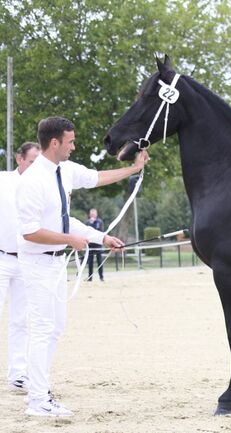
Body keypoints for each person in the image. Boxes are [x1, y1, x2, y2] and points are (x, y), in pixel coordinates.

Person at [16, 116, 149, 417]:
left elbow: (96, 178)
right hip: (36, 262)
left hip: (54, 262)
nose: (74, 146)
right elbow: (29, 231)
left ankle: (40, 391)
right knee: (42, 329)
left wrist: (133, 170)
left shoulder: (65, 171)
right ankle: (37, 399)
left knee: (54, 328)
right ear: (54, 143)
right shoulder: (33, 181)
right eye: (70, 141)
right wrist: (69, 239)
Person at [0, 142, 41, 394]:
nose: (36, 167)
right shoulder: (3, 181)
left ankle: (18, 373)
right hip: (1, 258)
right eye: (32, 161)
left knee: (21, 321)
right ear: (19, 159)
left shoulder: (41, 186)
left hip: (26, 260)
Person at [85, 208, 105, 281]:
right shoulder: (87, 222)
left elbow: (100, 232)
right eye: (91, 214)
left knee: (99, 261)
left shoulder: (99, 222)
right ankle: (90, 277)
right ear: (90, 215)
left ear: (96, 214)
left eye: (94, 214)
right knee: (90, 262)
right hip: (90, 245)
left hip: (98, 245)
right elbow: (86, 232)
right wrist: (91, 223)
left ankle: (101, 277)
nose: (93, 215)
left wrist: (93, 223)